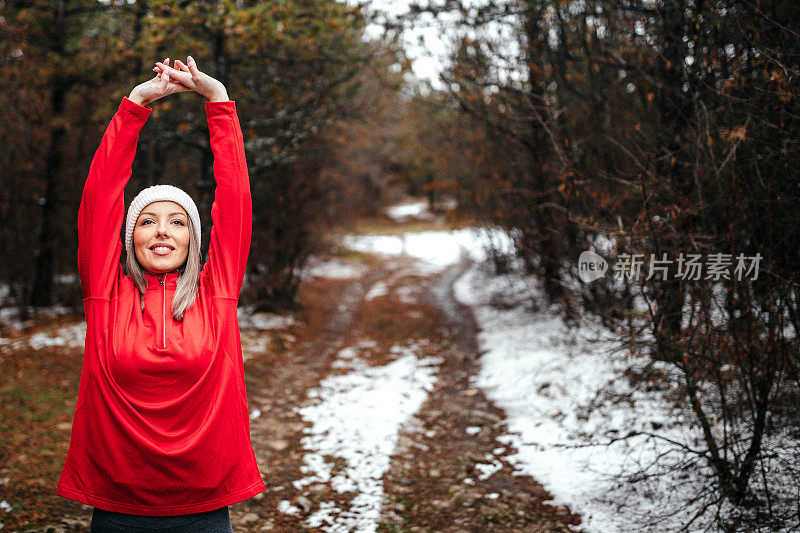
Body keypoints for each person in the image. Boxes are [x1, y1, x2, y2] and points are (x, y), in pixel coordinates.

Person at [56, 56, 266, 532]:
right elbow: (100, 199)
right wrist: (135, 106)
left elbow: (234, 202)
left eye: (177, 222)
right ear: (130, 236)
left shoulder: (217, 294)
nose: (161, 231)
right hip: (118, 510)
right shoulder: (106, 295)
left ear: (194, 237)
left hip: (205, 510)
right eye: (146, 221)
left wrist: (218, 103)